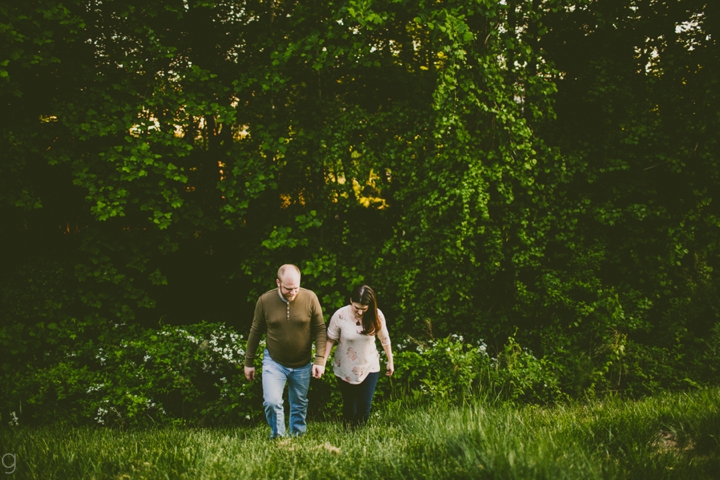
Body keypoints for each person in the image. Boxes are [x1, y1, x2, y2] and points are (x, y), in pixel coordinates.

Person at [244, 264, 327, 438]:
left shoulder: (310, 298)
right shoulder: (265, 301)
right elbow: (255, 331)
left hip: (302, 362)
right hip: (274, 361)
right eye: (288, 289)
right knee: (272, 402)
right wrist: (248, 362)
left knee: (299, 403)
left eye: (296, 288)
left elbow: (320, 329)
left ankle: (297, 436)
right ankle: (278, 437)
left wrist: (319, 360)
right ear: (278, 283)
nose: (292, 292)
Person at [322, 285, 394, 428]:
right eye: (356, 308)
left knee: (364, 405)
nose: (360, 312)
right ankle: (347, 431)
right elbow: (330, 339)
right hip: (345, 366)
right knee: (349, 404)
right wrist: (322, 362)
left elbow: (385, 339)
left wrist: (390, 360)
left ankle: (358, 433)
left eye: (364, 309)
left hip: (369, 365)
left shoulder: (376, 315)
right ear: (350, 301)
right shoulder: (340, 315)